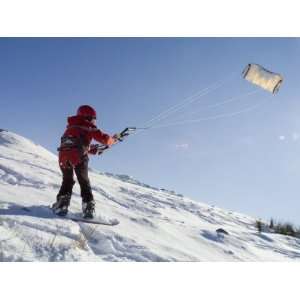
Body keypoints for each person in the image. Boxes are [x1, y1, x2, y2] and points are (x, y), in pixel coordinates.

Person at [52, 105, 118, 219]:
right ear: (87, 117)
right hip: (79, 157)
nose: (94, 121)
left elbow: (78, 144)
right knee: (84, 181)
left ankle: (61, 205)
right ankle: (88, 208)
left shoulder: (70, 128)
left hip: (63, 157)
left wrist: (94, 149)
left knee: (67, 180)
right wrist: (113, 140)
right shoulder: (88, 126)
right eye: (93, 118)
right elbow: (105, 139)